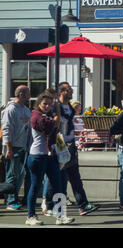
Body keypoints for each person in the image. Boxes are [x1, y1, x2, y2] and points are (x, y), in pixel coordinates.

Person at [50, 82, 99, 216]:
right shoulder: (56, 106)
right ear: (62, 92)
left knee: (75, 176)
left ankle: (82, 205)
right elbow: (53, 123)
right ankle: (51, 206)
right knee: (57, 177)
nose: (71, 92)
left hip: (71, 145)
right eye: (69, 90)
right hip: (60, 145)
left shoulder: (70, 107)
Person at [26, 93, 75, 226]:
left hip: (50, 155)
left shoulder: (46, 116)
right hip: (37, 156)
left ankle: (61, 216)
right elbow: (50, 126)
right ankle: (31, 216)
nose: (47, 106)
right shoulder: (36, 116)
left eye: (50, 104)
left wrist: (56, 118)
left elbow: (55, 126)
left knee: (58, 185)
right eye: (44, 104)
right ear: (39, 104)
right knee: (35, 186)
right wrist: (57, 114)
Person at [1, 85, 31, 210]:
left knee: (21, 174)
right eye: (28, 93)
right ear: (21, 94)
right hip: (12, 146)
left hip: (23, 147)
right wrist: (9, 148)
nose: (30, 96)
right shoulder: (11, 109)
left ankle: (13, 197)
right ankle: (10, 201)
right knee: (12, 174)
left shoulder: (25, 109)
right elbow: (6, 129)